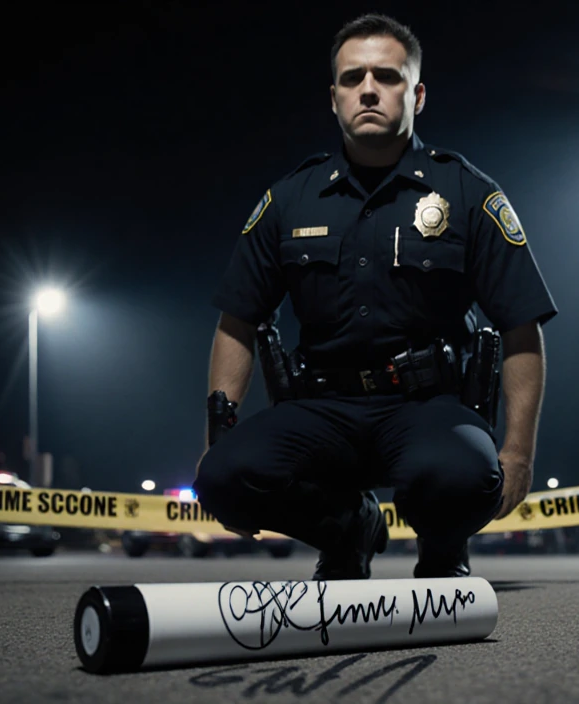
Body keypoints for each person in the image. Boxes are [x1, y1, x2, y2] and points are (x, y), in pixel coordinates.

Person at [194, 13, 556, 579]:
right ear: (333, 97)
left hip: (426, 409)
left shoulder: (466, 193)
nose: (367, 89)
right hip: (321, 409)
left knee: (463, 475)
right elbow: (238, 322)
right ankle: (347, 529)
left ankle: (441, 546)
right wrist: (218, 437)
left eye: (386, 77)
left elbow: (521, 329)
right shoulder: (289, 199)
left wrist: (518, 454)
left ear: (417, 94)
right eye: (351, 78)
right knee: (222, 478)